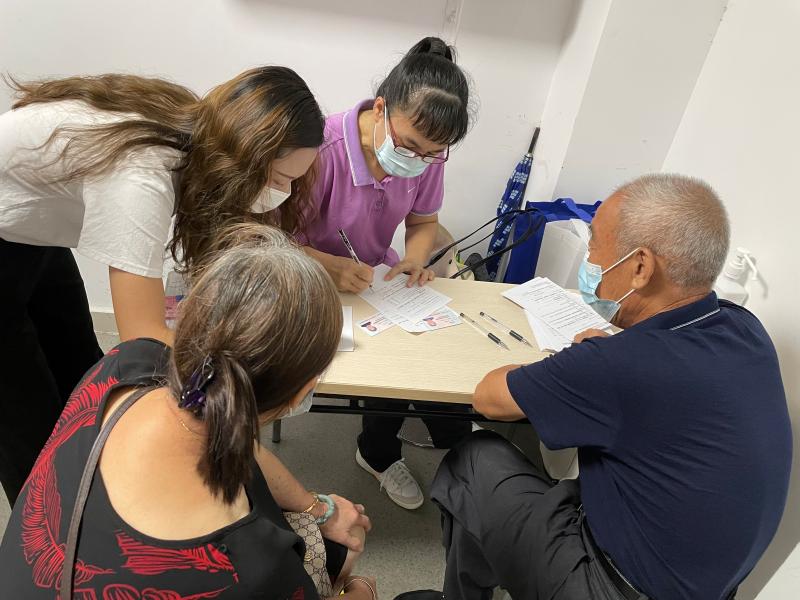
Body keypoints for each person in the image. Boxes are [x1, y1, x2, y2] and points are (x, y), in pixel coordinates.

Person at [403, 174, 792, 599]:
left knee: (475, 458)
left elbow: (489, 398)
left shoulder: (618, 365)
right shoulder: (744, 327)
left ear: (640, 267)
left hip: (610, 587)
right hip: (707, 585)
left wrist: (582, 363)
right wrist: (606, 358)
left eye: (594, 245)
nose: (589, 261)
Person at [0, 66, 324, 506]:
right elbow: (142, 338)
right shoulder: (141, 176)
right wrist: (236, 381)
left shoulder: (200, 132)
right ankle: (45, 522)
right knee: (27, 421)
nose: (284, 192)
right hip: (8, 230)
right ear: (244, 158)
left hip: (27, 234)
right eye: (281, 180)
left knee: (83, 374)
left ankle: (89, 485)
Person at [0, 224, 378, 600]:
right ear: (301, 393)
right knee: (345, 555)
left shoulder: (124, 365)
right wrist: (361, 591)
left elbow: (237, 444)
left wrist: (318, 508)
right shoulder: (255, 571)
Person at [299, 36, 474, 510]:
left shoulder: (426, 155)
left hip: (374, 280)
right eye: (409, 146)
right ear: (380, 108)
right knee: (363, 359)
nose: (417, 161)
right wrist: (329, 266)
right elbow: (272, 238)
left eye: (433, 153)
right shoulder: (321, 148)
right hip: (305, 278)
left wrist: (415, 258)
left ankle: (387, 448)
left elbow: (422, 222)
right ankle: (383, 450)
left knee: (411, 351)